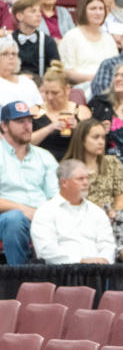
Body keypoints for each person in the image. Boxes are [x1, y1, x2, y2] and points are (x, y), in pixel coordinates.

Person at [0, 101, 57, 264]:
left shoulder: (45, 156)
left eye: (30, 121)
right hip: (6, 218)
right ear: (4, 126)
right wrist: (23, 209)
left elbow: (55, 197)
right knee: (15, 219)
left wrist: (42, 215)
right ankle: (18, 280)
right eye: (20, 122)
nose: (27, 126)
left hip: (42, 217)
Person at [30, 159, 115, 264]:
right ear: (64, 182)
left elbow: (108, 244)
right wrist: (81, 262)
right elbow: (46, 250)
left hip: (98, 273)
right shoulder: (45, 211)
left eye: (86, 178)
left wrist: (104, 260)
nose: (86, 183)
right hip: (60, 274)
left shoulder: (97, 212)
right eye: (80, 179)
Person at [64, 118, 123, 214]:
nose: (101, 142)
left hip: (111, 219)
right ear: (82, 140)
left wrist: (115, 212)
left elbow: (121, 197)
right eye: (95, 137)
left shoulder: (112, 162)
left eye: (103, 137)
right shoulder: (68, 168)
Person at [12, 0, 58, 80]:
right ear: (20, 16)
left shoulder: (48, 41)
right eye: (33, 11)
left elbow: (56, 70)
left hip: (41, 85)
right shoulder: (9, 41)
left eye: (39, 11)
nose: (39, 15)